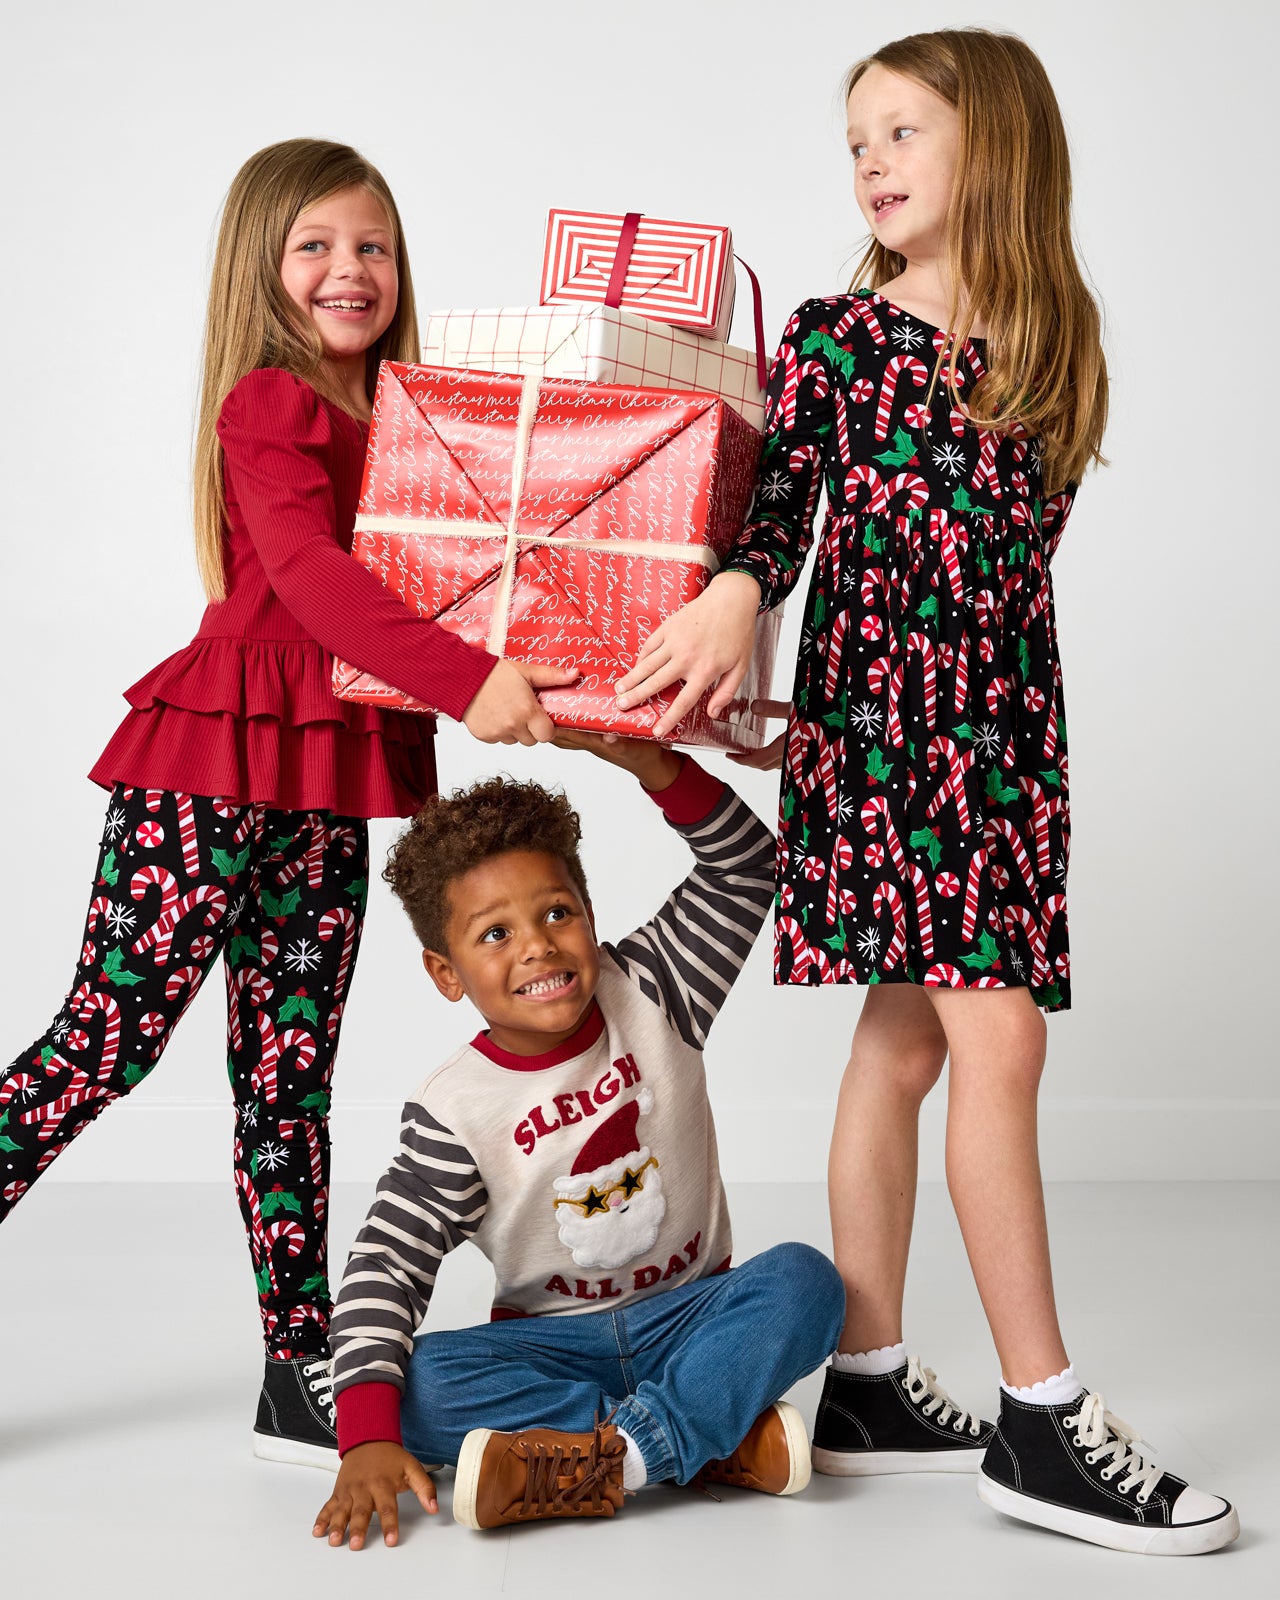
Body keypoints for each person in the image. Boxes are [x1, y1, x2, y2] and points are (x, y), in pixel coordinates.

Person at [613, 28, 1238, 1557]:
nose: (871, 163)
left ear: (995, 147)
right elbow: (782, 520)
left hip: (1003, 736)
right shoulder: (838, 336)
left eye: (901, 132)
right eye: (856, 143)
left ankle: (873, 1381)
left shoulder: (1054, 347)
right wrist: (733, 602)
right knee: (998, 1034)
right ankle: (1042, 1417)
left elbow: (1011, 570)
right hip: (889, 732)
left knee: (904, 1043)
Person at [0, 138, 574, 1469]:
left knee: (287, 1080)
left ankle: (295, 1364)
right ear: (261, 265)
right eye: (315, 245)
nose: (348, 269)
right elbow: (312, 578)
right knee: (102, 1048)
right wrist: (467, 681)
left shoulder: (413, 426)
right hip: (209, 769)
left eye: (372, 245)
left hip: (322, 781)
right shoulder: (270, 402)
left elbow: (471, 573)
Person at [312, 734, 844, 1546]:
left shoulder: (657, 987)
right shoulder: (456, 1110)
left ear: (591, 917)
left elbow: (745, 870)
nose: (537, 944)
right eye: (494, 934)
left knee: (807, 1282)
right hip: (549, 1349)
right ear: (446, 973)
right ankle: (712, 1439)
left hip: (689, 1318)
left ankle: (612, 1459)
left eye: (557, 912)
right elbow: (387, 1264)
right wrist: (366, 1442)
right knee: (418, 1387)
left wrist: (656, 766)